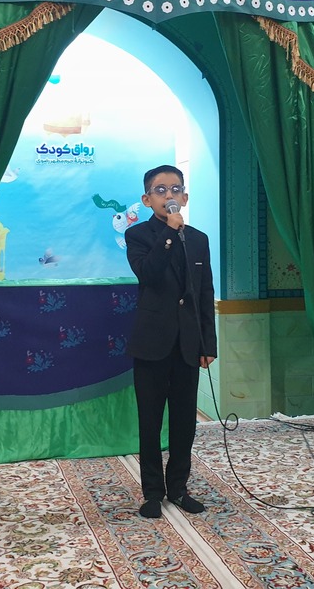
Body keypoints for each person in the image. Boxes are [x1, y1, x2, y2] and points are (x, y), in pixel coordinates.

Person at [124, 164, 216, 519]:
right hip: (151, 343)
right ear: (147, 199)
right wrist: (168, 234)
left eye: (176, 189)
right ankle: (152, 492)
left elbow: (204, 293)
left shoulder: (198, 239)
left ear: (185, 197)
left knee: (184, 422)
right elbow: (148, 274)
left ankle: (178, 488)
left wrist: (208, 343)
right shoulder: (138, 236)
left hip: (187, 345)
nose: (169, 196)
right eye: (160, 190)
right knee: (149, 421)